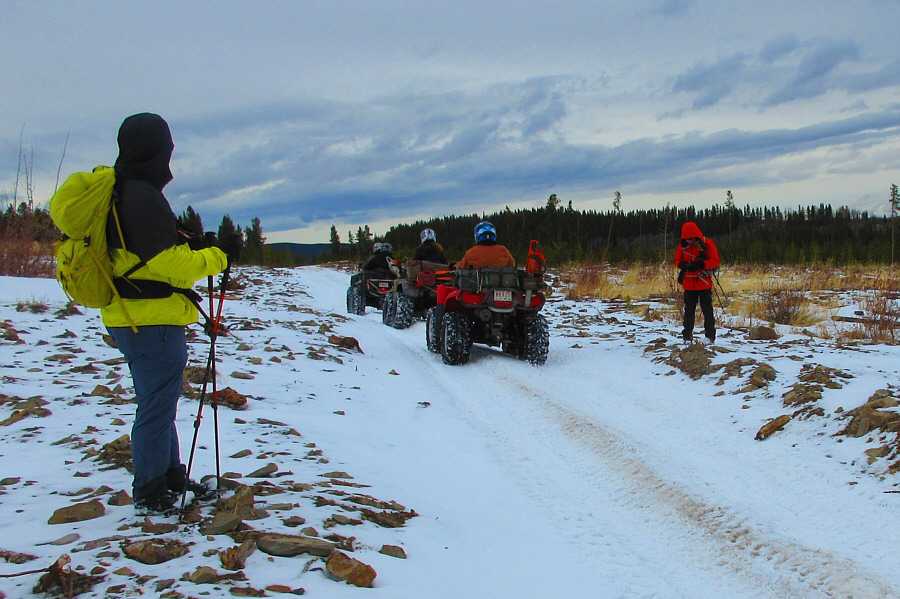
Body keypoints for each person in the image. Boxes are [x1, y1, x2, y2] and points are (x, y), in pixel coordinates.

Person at [102, 113, 236, 515]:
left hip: (134, 314)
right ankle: (151, 490)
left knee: (160, 401)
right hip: (150, 318)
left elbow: (147, 253)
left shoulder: (122, 189)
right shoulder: (140, 194)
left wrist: (194, 245)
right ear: (156, 150)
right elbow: (165, 263)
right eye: (167, 148)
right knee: (157, 405)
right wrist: (216, 256)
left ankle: (170, 476)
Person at [674, 221, 720, 342]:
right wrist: (684, 265)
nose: (689, 241)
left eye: (691, 238)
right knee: (689, 310)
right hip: (689, 284)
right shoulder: (682, 246)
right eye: (686, 238)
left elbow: (715, 261)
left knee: (707, 310)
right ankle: (687, 334)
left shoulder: (707, 244)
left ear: (695, 235)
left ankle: (710, 336)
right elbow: (677, 260)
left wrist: (701, 264)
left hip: (704, 282)